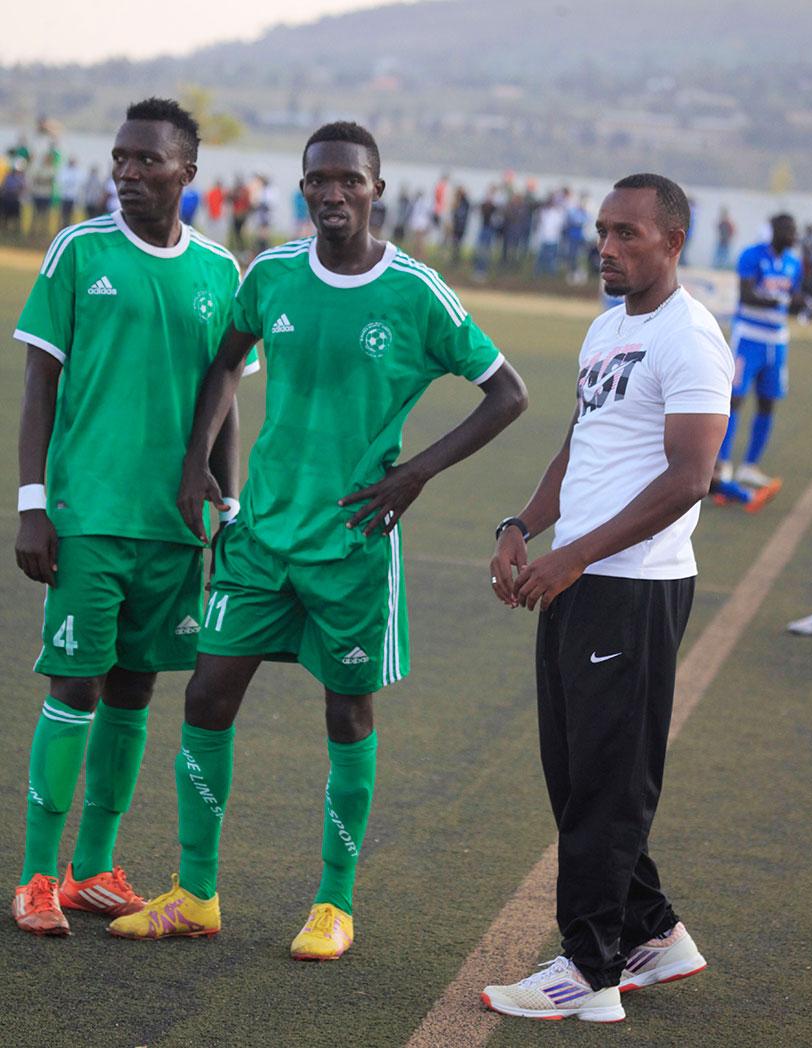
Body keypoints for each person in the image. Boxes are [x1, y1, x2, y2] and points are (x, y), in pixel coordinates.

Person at [107, 121, 528, 957]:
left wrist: (415, 474)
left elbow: (506, 393)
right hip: (261, 534)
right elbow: (226, 362)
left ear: (377, 189)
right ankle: (196, 893)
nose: (331, 195)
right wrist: (199, 464)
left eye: (348, 181)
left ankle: (333, 906)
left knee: (346, 711)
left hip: (352, 546)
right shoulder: (271, 274)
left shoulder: (415, 292)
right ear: (303, 190)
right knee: (204, 696)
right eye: (317, 182)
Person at [481, 173, 733, 1023]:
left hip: (631, 589)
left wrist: (575, 557)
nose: (608, 247)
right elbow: (580, 442)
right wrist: (523, 525)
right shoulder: (605, 327)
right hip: (581, 582)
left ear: (672, 242)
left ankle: (590, 973)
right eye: (602, 231)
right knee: (578, 775)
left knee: (605, 785)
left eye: (628, 234)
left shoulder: (690, 337)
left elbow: (690, 478)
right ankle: (654, 932)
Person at [11, 97, 258, 937]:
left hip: (175, 527)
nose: (127, 173)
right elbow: (40, 383)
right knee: (74, 684)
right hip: (87, 514)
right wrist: (33, 505)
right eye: (120, 158)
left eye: (147, 161)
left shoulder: (223, 273)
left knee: (135, 688)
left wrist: (229, 508)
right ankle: (37, 876)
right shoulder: (80, 250)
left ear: (188, 173)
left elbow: (222, 405)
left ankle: (93, 869)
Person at [716, 214, 804, 490]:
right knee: (734, 400)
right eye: (786, 229)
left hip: (776, 342)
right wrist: (783, 299)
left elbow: (796, 298)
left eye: (793, 229)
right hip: (749, 339)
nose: (792, 234)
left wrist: (803, 304)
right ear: (773, 230)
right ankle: (722, 464)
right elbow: (747, 295)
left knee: (768, 401)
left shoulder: (793, 262)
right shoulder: (752, 255)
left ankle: (750, 466)